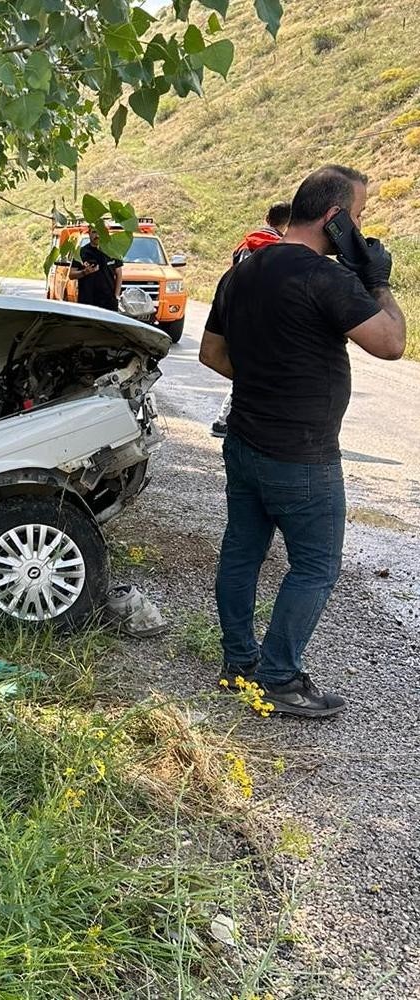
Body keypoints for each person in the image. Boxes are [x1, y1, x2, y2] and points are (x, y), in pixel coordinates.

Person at [199, 165, 406, 718]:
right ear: (336, 220)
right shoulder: (327, 278)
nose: (362, 231)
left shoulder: (240, 272)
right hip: (303, 458)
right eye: (358, 219)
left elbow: (211, 355)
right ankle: (279, 677)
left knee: (242, 551)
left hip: (243, 442)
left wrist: (265, 378)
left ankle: (239, 663)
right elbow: (391, 344)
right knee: (315, 567)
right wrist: (377, 279)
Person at [211, 201, 293, 437]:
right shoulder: (278, 246)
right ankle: (225, 420)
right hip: (260, 315)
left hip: (235, 311)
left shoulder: (245, 243)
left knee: (245, 365)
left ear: (268, 219)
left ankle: (227, 419)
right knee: (256, 368)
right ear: (287, 224)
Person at [69, 227, 124, 311]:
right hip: (87, 301)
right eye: (94, 232)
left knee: (107, 324)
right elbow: (71, 275)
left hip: (108, 301)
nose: (97, 235)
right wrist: (84, 272)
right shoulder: (81, 252)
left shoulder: (113, 250)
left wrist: (116, 295)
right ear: (89, 233)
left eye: (100, 232)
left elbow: (119, 274)